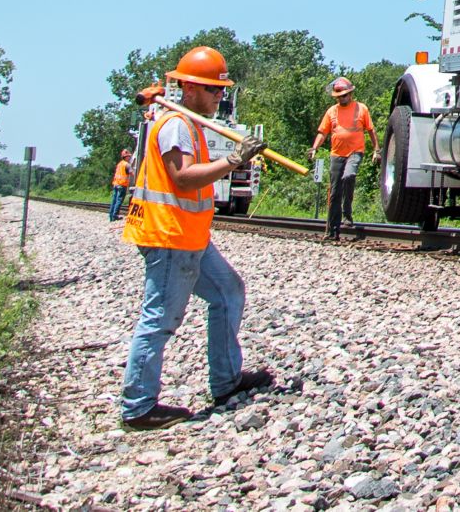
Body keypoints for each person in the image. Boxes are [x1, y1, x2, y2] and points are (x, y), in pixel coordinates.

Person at [119, 45, 275, 430]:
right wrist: (234, 160)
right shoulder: (175, 125)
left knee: (229, 292)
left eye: (221, 90)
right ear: (189, 88)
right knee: (160, 318)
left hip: (190, 237)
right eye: (212, 90)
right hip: (170, 236)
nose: (219, 97)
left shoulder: (189, 123)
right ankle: (138, 407)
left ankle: (226, 382)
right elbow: (183, 177)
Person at [312, 76, 375, 241]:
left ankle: (347, 212)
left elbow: (371, 130)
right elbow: (323, 132)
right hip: (336, 154)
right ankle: (332, 231)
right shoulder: (331, 111)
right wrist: (314, 148)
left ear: (351, 94)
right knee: (334, 192)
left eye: (344, 96)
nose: (342, 99)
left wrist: (377, 150)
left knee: (349, 176)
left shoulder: (361, 109)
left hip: (355, 152)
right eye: (339, 96)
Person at [108, 149, 132, 220]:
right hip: (122, 185)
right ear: (126, 157)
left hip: (116, 184)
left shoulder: (119, 164)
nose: (129, 157)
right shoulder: (127, 165)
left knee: (114, 200)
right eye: (128, 156)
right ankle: (115, 215)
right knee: (119, 200)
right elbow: (132, 173)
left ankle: (111, 216)